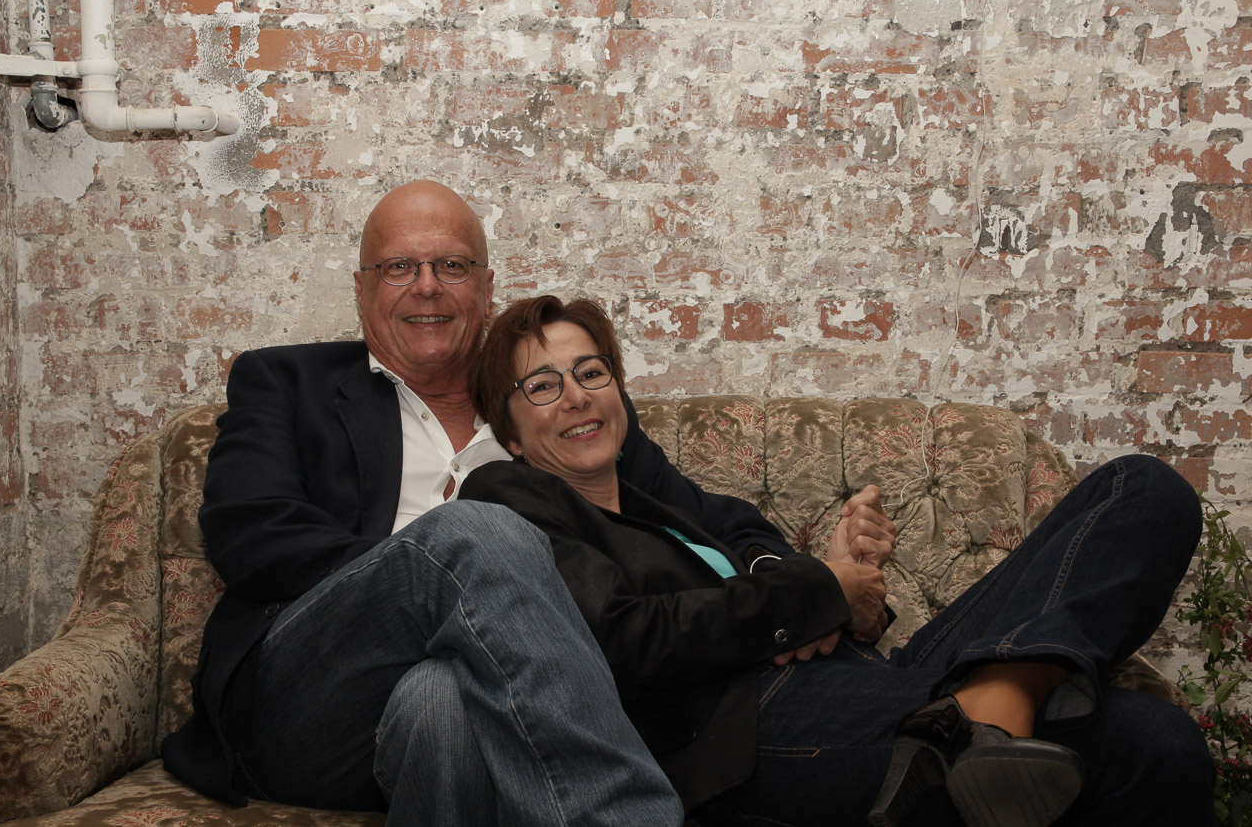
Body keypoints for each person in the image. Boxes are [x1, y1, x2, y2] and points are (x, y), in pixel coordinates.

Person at [160, 180, 793, 826]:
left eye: (452, 266)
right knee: (474, 532)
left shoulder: (555, 403)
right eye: (399, 267)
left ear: (487, 288)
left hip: (469, 707)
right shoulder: (287, 382)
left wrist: (789, 582)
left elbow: (708, 522)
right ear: (361, 289)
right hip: (306, 697)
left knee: (442, 701)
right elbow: (249, 532)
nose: (427, 286)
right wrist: (435, 566)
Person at [462, 294, 1217, 827]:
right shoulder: (508, 501)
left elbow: (751, 534)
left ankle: (987, 703)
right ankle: (987, 713)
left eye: (592, 372)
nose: (576, 395)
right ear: (512, 432)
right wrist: (818, 593)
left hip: (871, 677)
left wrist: (837, 586)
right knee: (1155, 744)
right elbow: (625, 640)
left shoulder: (649, 488)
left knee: (1144, 489)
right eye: (543, 385)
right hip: (749, 728)